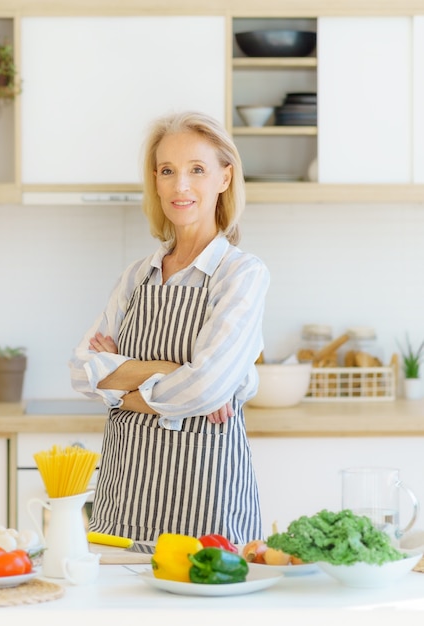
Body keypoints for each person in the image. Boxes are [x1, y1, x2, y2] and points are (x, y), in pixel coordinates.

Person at [68, 110, 269, 544]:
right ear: (155, 182)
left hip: (205, 511)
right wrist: (174, 369)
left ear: (225, 178)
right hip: (122, 505)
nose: (180, 186)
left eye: (197, 170)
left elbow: (208, 388)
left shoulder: (241, 274)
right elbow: (80, 369)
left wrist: (124, 388)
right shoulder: (136, 276)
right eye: (167, 171)